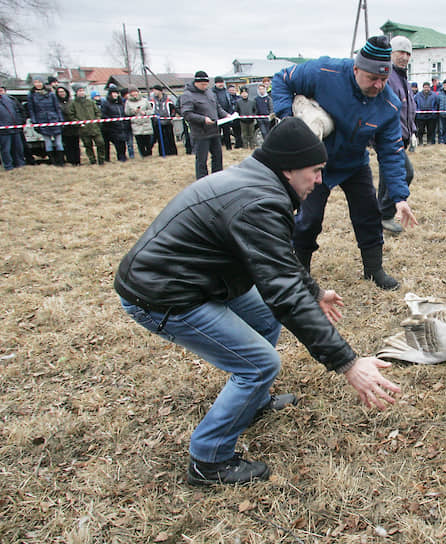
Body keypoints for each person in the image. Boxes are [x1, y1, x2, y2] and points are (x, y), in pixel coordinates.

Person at [114, 117, 401, 486]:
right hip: (163, 295)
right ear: (287, 168)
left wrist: (314, 291)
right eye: (314, 172)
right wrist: (348, 363)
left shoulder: (258, 181)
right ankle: (209, 460)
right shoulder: (258, 201)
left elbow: (276, 260)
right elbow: (283, 293)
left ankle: (252, 401)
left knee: (265, 320)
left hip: (196, 279)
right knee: (259, 363)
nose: (319, 181)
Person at [270, 35, 418, 291]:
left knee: (368, 214)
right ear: (356, 68)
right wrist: (287, 120)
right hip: (313, 161)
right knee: (309, 219)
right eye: (373, 78)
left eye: (384, 79)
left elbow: (391, 152)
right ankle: (300, 272)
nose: (379, 85)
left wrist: (399, 197)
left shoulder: (388, 104)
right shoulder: (323, 71)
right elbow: (282, 79)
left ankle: (374, 269)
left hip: (353, 162)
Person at [378, 35, 416, 235]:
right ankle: (384, 216)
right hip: (390, 136)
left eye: (408, 53)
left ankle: (379, 216)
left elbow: (408, 108)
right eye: (400, 52)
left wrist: (414, 131)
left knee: (387, 178)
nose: (405, 57)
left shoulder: (403, 78)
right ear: (391, 53)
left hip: (403, 134)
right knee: (405, 173)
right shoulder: (388, 77)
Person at [181, 71, 229, 179]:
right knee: (202, 160)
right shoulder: (187, 95)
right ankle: (202, 180)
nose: (205, 86)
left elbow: (217, 108)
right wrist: (203, 119)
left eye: (206, 84)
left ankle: (217, 178)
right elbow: (187, 114)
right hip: (200, 133)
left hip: (214, 131)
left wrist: (226, 115)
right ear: (196, 82)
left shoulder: (210, 93)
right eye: (202, 84)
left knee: (217, 157)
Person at [28, 78, 65, 166]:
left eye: (39, 82)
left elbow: (57, 107)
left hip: (54, 119)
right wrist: (34, 122)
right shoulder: (31, 95)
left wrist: (60, 120)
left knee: (58, 143)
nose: (38, 84)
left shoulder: (51, 94)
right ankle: (53, 162)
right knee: (48, 143)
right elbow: (31, 109)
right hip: (42, 120)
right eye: (36, 82)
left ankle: (61, 162)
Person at [68, 85, 106, 165]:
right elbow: (71, 115)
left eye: (82, 90)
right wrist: (78, 123)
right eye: (79, 91)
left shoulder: (90, 102)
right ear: (76, 92)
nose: (81, 92)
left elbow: (98, 112)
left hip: (94, 127)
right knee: (88, 145)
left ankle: (101, 160)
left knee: (101, 143)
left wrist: (97, 119)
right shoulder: (73, 104)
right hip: (83, 129)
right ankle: (92, 160)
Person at [0, 84, 27, 170]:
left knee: (18, 149)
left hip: (15, 129)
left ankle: (20, 165)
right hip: (3, 131)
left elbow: (17, 110)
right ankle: (9, 167)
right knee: (6, 150)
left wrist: (19, 122)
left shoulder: (9, 99)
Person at [125, 87, 155, 158]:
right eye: (132, 92)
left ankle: (149, 154)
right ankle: (143, 155)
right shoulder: (128, 102)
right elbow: (126, 113)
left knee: (149, 141)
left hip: (146, 123)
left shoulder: (144, 100)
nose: (134, 93)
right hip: (136, 124)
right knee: (140, 142)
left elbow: (151, 110)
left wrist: (145, 113)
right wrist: (134, 111)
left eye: (135, 91)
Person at [101, 86, 128, 162]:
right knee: (117, 143)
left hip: (121, 126)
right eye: (113, 93)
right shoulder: (106, 104)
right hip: (112, 128)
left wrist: (125, 122)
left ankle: (122, 157)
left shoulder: (121, 104)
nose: (115, 94)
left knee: (123, 143)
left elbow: (124, 114)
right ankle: (118, 157)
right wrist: (112, 121)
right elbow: (103, 115)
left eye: (116, 93)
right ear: (110, 94)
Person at [55, 85, 81, 165]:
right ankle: (71, 161)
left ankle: (77, 161)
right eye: (59, 92)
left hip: (74, 126)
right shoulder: (56, 103)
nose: (61, 93)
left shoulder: (72, 102)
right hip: (64, 127)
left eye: (63, 91)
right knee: (67, 145)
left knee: (76, 145)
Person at [149, 85, 178, 156]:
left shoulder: (168, 100)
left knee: (170, 138)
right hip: (157, 123)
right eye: (153, 91)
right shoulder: (152, 101)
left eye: (155, 90)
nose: (154, 92)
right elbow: (150, 110)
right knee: (160, 139)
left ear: (160, 91)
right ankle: (162, 153)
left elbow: (173, 110)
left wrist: (171, 117)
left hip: (167, 122)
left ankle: (172, 153)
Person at [212, 76, 234, 150]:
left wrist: (230, 113)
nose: (221, 84)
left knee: (227, 133)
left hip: (226, 115)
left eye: (222, 82)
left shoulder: (226, 92)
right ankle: (217, 148)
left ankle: (228, 147)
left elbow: (230, 102)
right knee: (217, 133)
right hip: (216, 116)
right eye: (219, 83)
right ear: (215, 83)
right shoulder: (212, 92)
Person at [228, 84, 243, 148]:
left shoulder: (239, 98)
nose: (232, 91)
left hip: (238, 117)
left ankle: (239, 144)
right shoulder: (227, 98)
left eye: (233, 90)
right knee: (231, 132)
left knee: (238, 132)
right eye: (230, 90)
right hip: (229, 116)